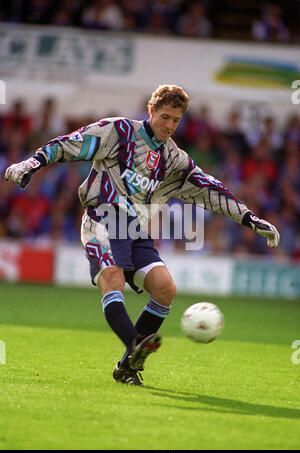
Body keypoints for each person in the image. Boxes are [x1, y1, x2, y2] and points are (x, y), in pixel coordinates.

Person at [5, 84, 280, 386]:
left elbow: (211, 189)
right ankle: (134, 345)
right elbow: (72, 144)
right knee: (113, 277)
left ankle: (126, 366)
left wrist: (249, 218)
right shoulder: (119, 132)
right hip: (103, 219)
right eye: (164, 117)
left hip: (135, 230)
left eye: (176, 120)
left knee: (165, 289)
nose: (169, 126)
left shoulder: (175, 161)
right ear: (151, 110)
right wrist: (32, 162)